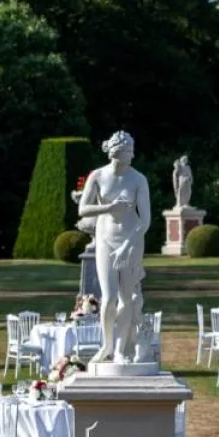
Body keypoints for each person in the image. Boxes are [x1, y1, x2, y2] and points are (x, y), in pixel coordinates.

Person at [75, 131, 152, 366]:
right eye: (129, 151)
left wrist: (128, 245)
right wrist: (108, 208)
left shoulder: (139, 179)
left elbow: (145, 220)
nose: (133, 155)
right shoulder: (98, 176)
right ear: (116, 153)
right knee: (108, 298)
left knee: (126, 298)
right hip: (105, 239)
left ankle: (120, 350)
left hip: (131, 242)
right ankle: (106, 345)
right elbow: (83, 209)